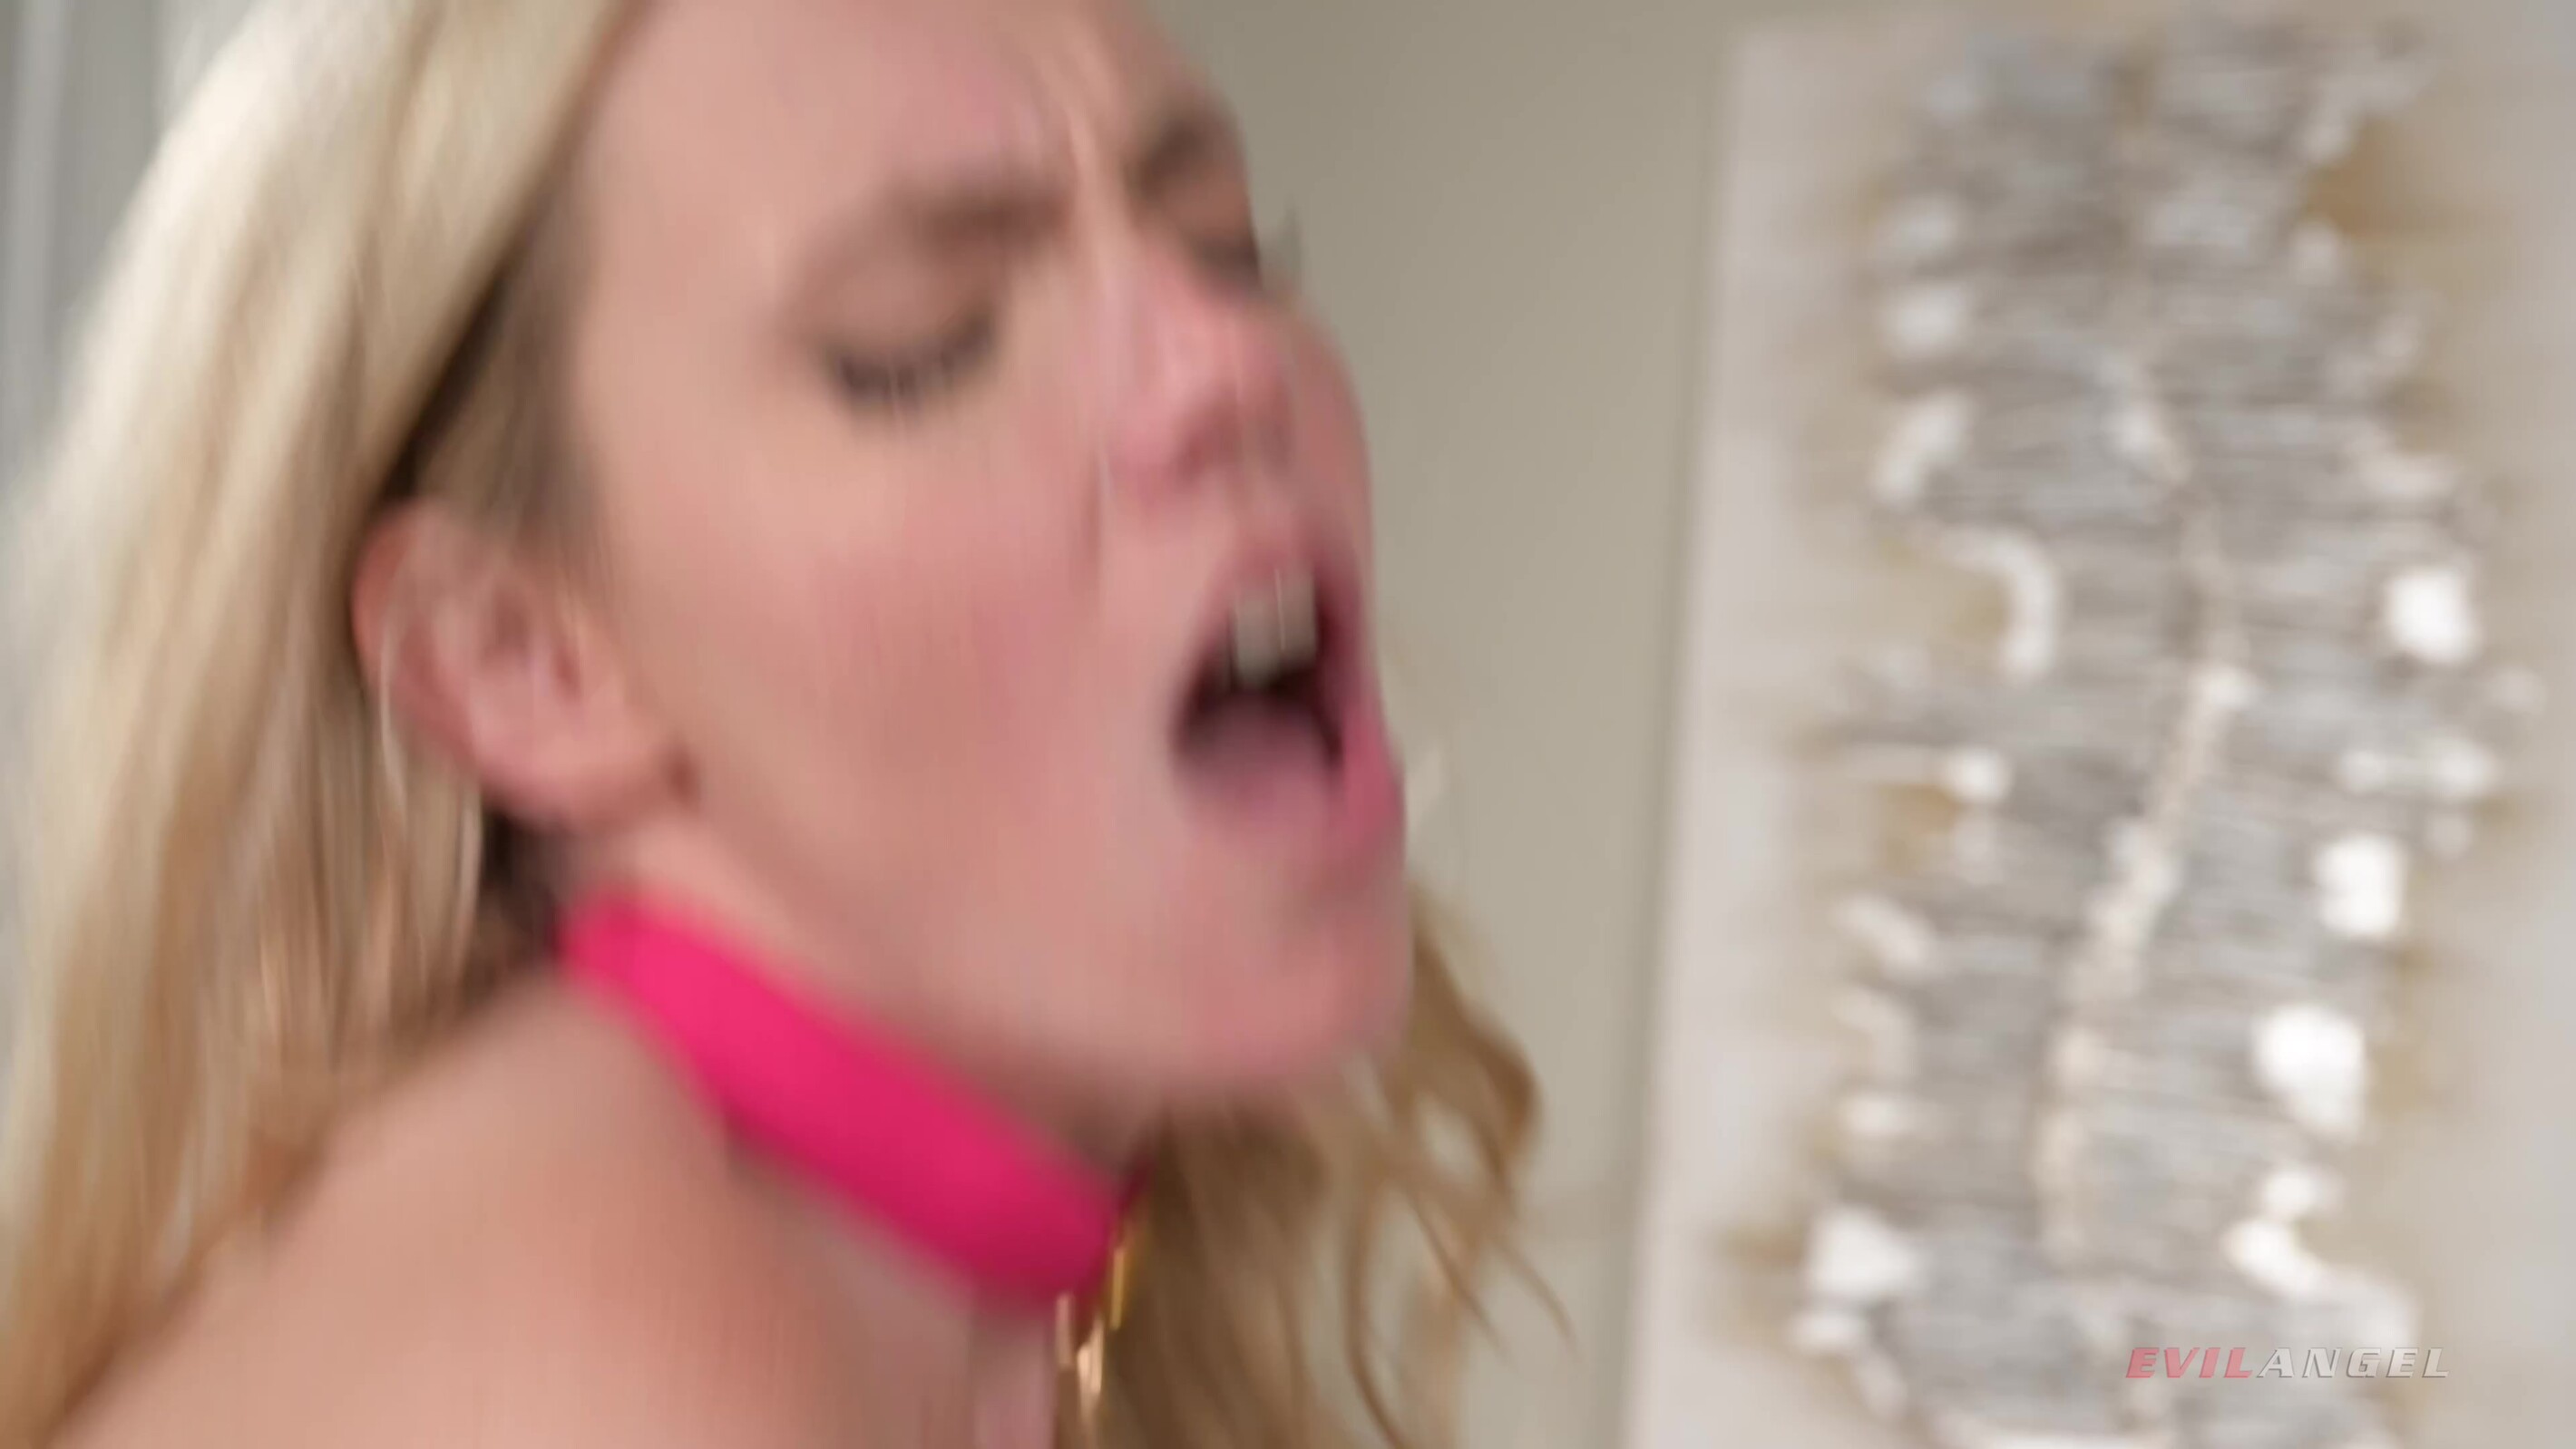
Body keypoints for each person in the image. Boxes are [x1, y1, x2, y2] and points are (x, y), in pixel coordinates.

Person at [0, 0, 1535, 1444]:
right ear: (523, 660)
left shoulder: (911, 1271)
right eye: (924, 342)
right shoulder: (603, 1357)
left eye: (1228, 245)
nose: (1234, 359)